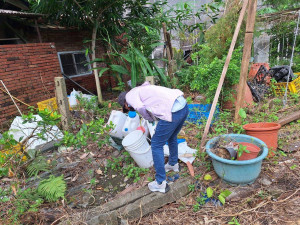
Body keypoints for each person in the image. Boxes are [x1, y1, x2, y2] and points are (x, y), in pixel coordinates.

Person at [118, 81, 189, 193]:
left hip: (173, 111)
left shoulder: (130, 96)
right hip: (183, 106)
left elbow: (140, 107)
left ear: (125, 104)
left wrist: (149, 118)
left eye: (126, 108)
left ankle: (160, 183)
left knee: (156, 144)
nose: (129, 109)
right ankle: (173, 164)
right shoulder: (140, 89)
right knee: (172, 136)